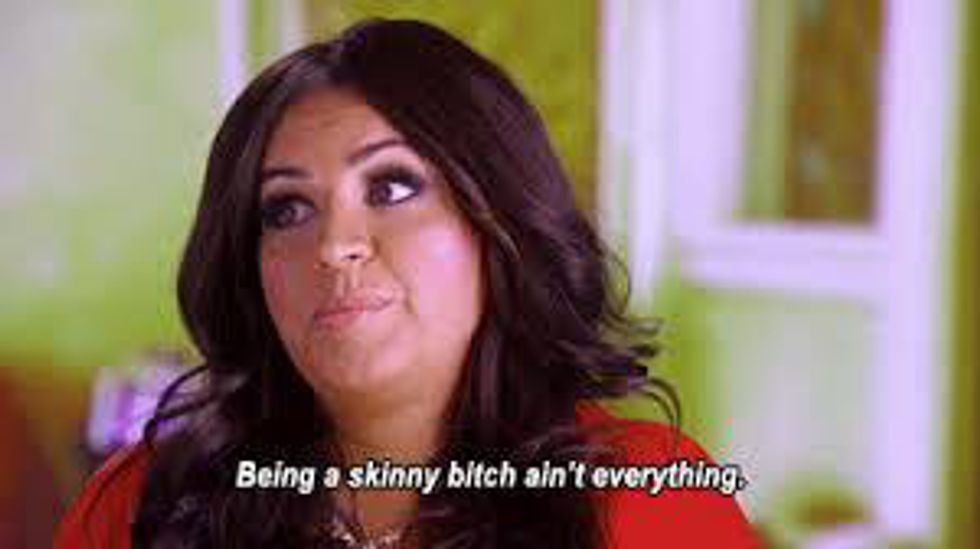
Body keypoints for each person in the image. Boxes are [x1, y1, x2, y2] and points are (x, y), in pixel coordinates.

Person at [56, 19, 757, 548]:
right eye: (287, 209)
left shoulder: (645, 503)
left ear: (497, 223)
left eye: (391, 187)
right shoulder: (145, 506)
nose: (335, 246)